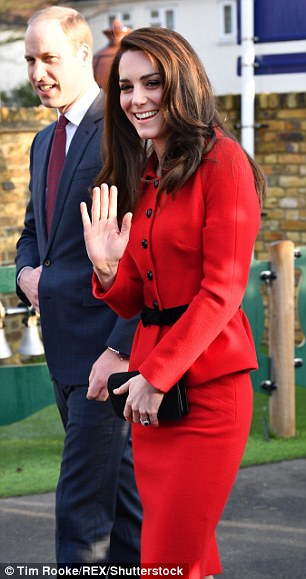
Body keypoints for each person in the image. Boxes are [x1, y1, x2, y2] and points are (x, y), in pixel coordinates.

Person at [81, 27, 267, 578]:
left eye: (152, 83)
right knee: (188, 558)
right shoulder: (144, 174)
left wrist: (155, 375)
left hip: (205, 396)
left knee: (165, 561)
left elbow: (223, 290)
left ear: (181, 83)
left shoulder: (224, 164)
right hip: (152, 398)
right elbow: (139, 299)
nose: (137, 99)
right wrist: (108, 267)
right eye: (126, 87)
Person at [15, 6, 142, 567]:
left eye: (48, 58)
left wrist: (122, 347)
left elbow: (145, 249)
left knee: (80, 509)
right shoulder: (43, 143)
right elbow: (29, 235)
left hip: (109, 355)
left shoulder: (124, 132)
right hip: (61, 353)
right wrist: (24, 277)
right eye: (28, 60)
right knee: (118, 498)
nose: (37, 71)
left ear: (83, 55)